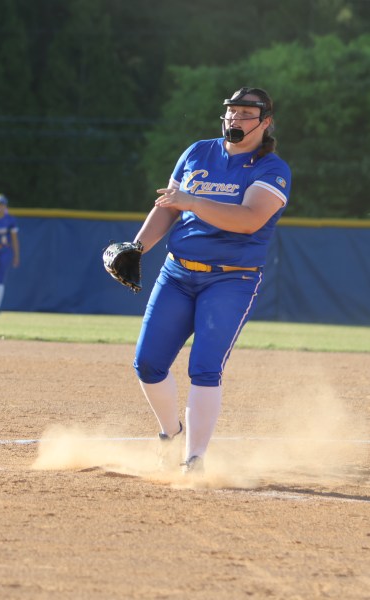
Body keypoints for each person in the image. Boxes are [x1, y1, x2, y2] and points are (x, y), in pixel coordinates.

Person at [128, 87, 292, 475]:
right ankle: (170, 435)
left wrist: (194, 202)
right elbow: (168, 208)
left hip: (231, 280)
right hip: (177, 273)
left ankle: (195, 459)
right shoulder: (198, 152)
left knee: (204, 366)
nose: (236, 118)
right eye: (232, 111)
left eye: (246, 113)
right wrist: (137, 247)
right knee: (147, 363)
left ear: (266, 122)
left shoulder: (271, 168)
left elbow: (249, 219)